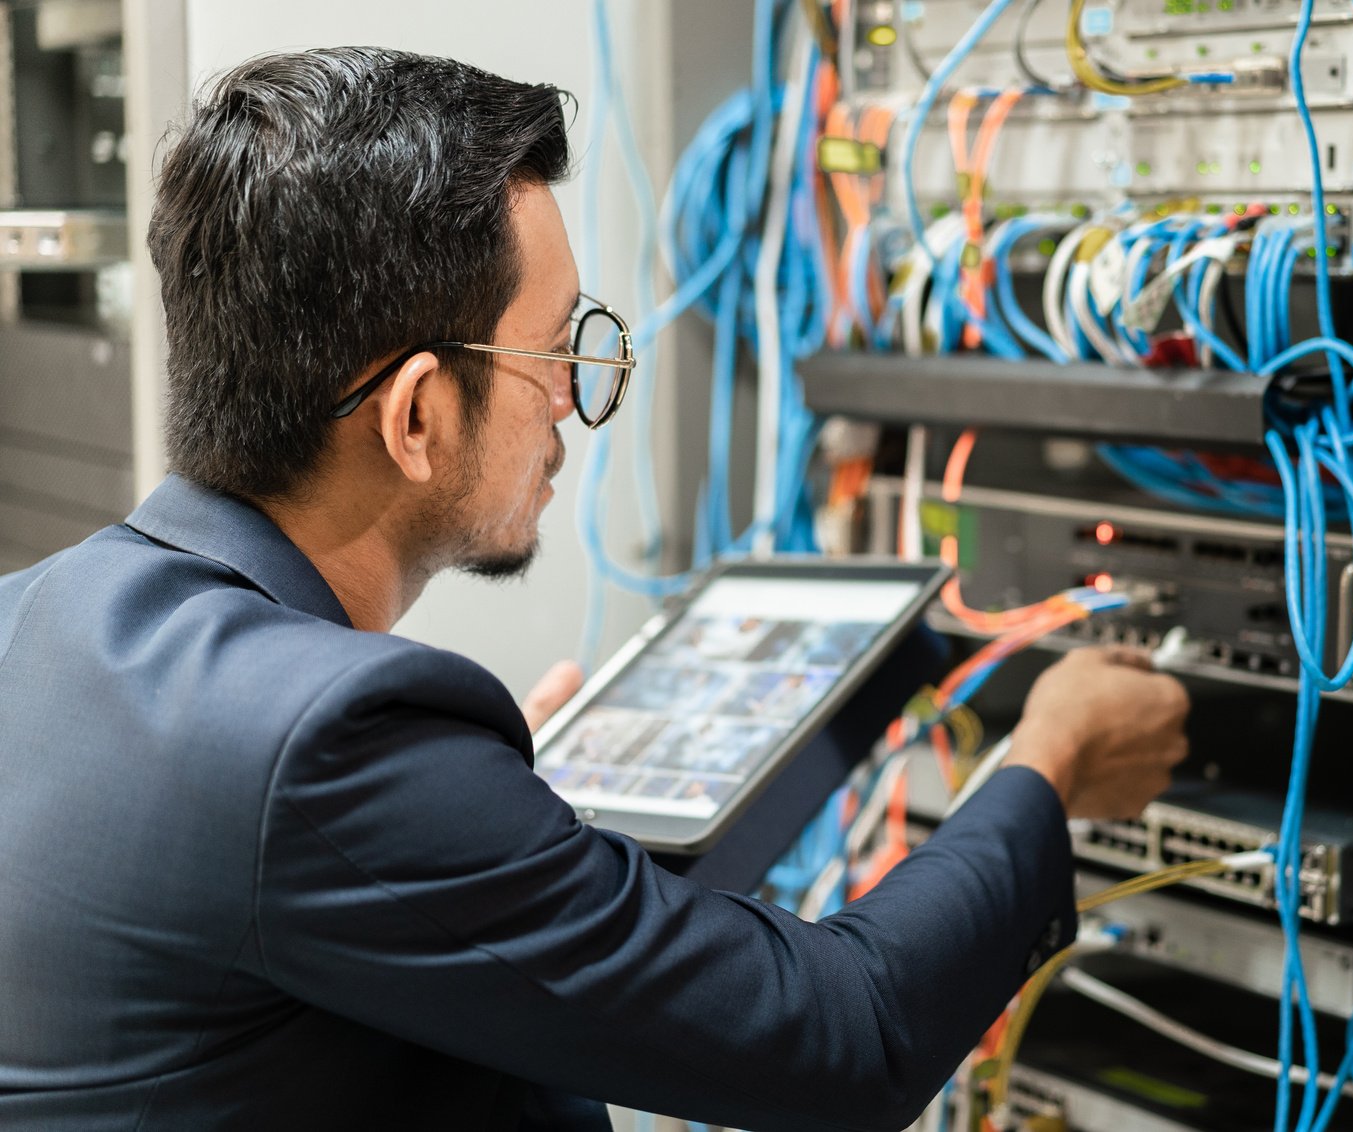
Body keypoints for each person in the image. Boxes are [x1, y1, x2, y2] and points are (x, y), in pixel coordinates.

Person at [0, 48, 1189, 1131]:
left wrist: (501, 829)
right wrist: (1049, 767)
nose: (571, 399)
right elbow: (845, 1035)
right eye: (554, 353)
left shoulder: (35, 615)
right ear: (416, 414)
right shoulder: (329, 746)